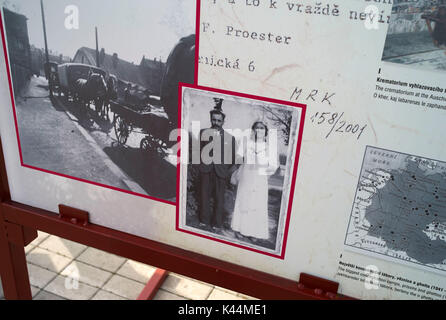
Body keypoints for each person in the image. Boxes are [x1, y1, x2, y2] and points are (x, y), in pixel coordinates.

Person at [230, 121, 278, 241]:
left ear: (265, 131)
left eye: (262, 128)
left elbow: (274, 165)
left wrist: (263, 173)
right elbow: (238, 158)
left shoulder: (269, 147)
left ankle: (253, 232)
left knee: (257, 204)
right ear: (253, 130)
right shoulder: (247, 143)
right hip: (246, 176)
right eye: (257, 128)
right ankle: (240, 229)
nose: (259, 130)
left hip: (260, 179)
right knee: (244, 201)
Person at [198, 99, 237, 232]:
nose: (216, 123)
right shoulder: (203, 132)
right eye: (214, 120)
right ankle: (204, 221)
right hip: (206, 169)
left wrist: (224, 169)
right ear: (211, 119)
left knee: (219, 198)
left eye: (219, 121)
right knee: (204, 195)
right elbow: (198, 151)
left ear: (223, 122)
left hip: (220, 172)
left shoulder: (230, 138)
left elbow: (232, 158)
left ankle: (217, 223)